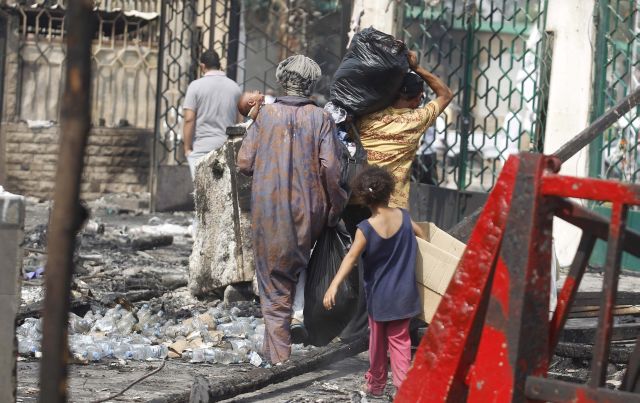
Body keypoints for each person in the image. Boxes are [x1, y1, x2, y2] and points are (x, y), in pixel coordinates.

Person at [237, 54, 348, 364]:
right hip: (308, 212)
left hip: (269, 209)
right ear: (311, 83)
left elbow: (244, 162)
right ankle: (274, 349)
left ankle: (279, 356)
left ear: (280, 80)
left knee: (274, 280)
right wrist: (335, 206)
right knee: (287, 276)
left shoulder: (266, 116)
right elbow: (331, 169)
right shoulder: (320, 118)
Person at [323, 166, 425, 397]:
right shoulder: (404, 216)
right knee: (401, 343)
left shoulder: (366, 229)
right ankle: (404, 387)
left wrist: (334, 285)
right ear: (389, 192)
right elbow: (422, 235)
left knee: (377, 344)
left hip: (380, 298)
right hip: (405, 295)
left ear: (363, 198)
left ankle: (376, 385)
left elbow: (351, 258)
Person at [357, 50, 453, 208]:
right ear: (418, 99)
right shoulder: (416, 120)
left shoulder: (368, 114)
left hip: (359, 200)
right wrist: (417, 67)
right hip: (391, 206)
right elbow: (446, 95)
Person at [182, 49, 242, 179]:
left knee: (203, 195)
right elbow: (239, 122)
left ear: (203, 66)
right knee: (223, 194)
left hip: (201, 149)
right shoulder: (235, 87)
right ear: (219, 65)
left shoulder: (195, 86)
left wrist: (187, 148)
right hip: (226, 148)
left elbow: (189, 119)